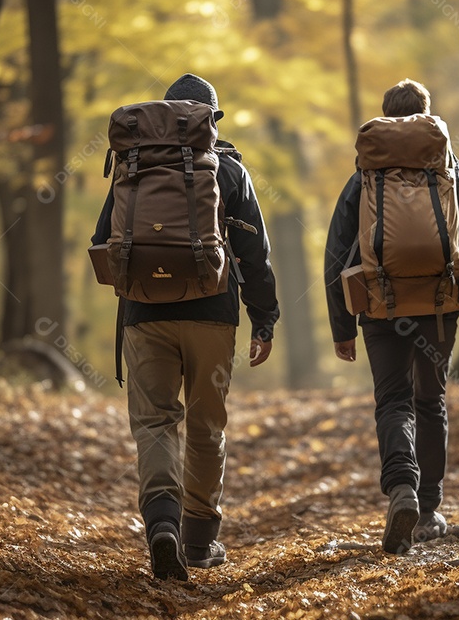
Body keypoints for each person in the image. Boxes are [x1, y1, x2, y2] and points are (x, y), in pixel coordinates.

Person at [92, 73, 279, 580]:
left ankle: (162, 525)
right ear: (210, 120)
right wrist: (264, 318)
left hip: (143, 315)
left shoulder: (131, 166)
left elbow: (102, 240)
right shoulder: (229, 170)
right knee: (205, 425)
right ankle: (198, 541)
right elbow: (254, 254)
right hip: (212, 315)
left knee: (155, 422)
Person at [323, 79, 459, 554]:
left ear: (386, 116)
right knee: (430, 401)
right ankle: (428, 509)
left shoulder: (364, 178)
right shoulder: (450, 173)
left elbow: (336, 252)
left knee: (393, 400)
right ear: (426, 114)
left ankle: (401, 486)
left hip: (380, 306)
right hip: (440, 305)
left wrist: (342, 326)